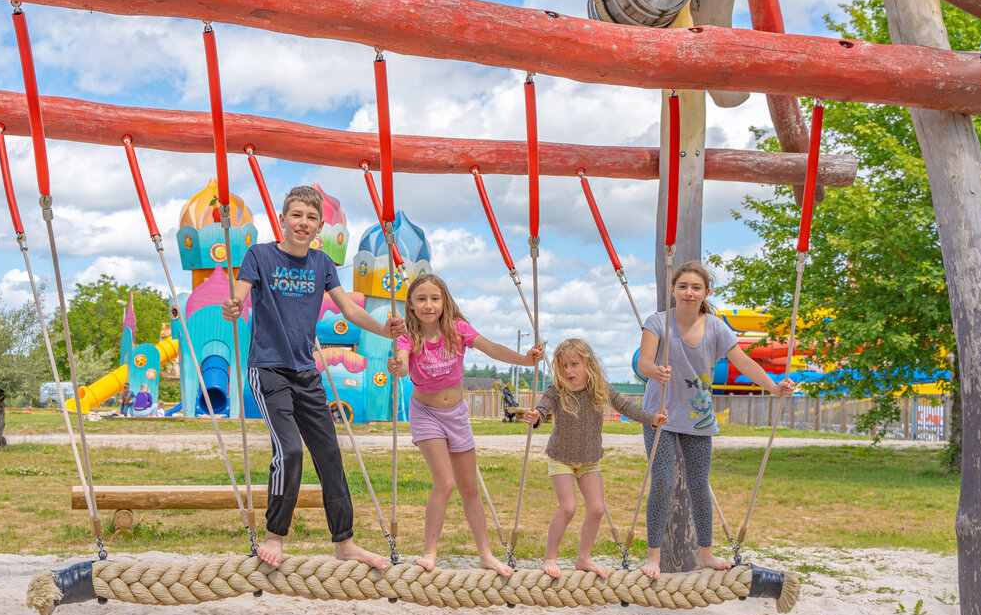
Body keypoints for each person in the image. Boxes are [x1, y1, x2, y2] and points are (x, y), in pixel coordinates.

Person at [223, 185, 404, 570]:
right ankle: (275, 535)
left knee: (330, 456)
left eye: (310, 218)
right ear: (283, 219)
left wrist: (384, 331)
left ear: (319, 225)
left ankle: (345, 543)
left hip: (306, 373)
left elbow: (350, 312)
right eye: (296, 215)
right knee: (288, 451)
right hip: (268, 369)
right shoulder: (260, 255)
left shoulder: (322, 264)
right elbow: (239, 293)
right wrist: (234, 305)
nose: (302, 223)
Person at [637, 261, 795, 580]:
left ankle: (705, 553)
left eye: (696, 287)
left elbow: (744, 362)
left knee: (699, 484)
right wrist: (656, 371)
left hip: (698, 418)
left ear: (706, 292)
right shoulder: (657, 322)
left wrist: (774, 387)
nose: (689, 292)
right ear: (673, 290)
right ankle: (653, 556)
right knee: (664, 481)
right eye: (683, 287)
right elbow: (643, 363)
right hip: (661, 415)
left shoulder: (716, 327)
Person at [386, 273, 544, 577]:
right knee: (445, 483)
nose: (428, 305)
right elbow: (403, 365)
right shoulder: (407, 337)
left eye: (434, 298)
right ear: (411, 304)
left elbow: (492, 348)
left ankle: (486, 554)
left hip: (456, 414)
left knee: (470, 488)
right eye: (421, 299)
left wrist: (525, 361)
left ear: (445, 302)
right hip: (425, 413)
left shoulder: (458, 330)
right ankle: (429, 552)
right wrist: (396, 366)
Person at [523, 338, 668, 580]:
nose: (568, 371)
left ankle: (583, 558)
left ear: (587, 364)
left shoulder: (600, 387)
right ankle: (550, 557)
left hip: (589, 460)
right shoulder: (556, 391)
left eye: (574, 364)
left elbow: (625, 407)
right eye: (563, 366)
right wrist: (536, 416)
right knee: (568, 507)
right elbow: (543, 409)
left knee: (597, 508)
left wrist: (651, 419)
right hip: (561, 458)